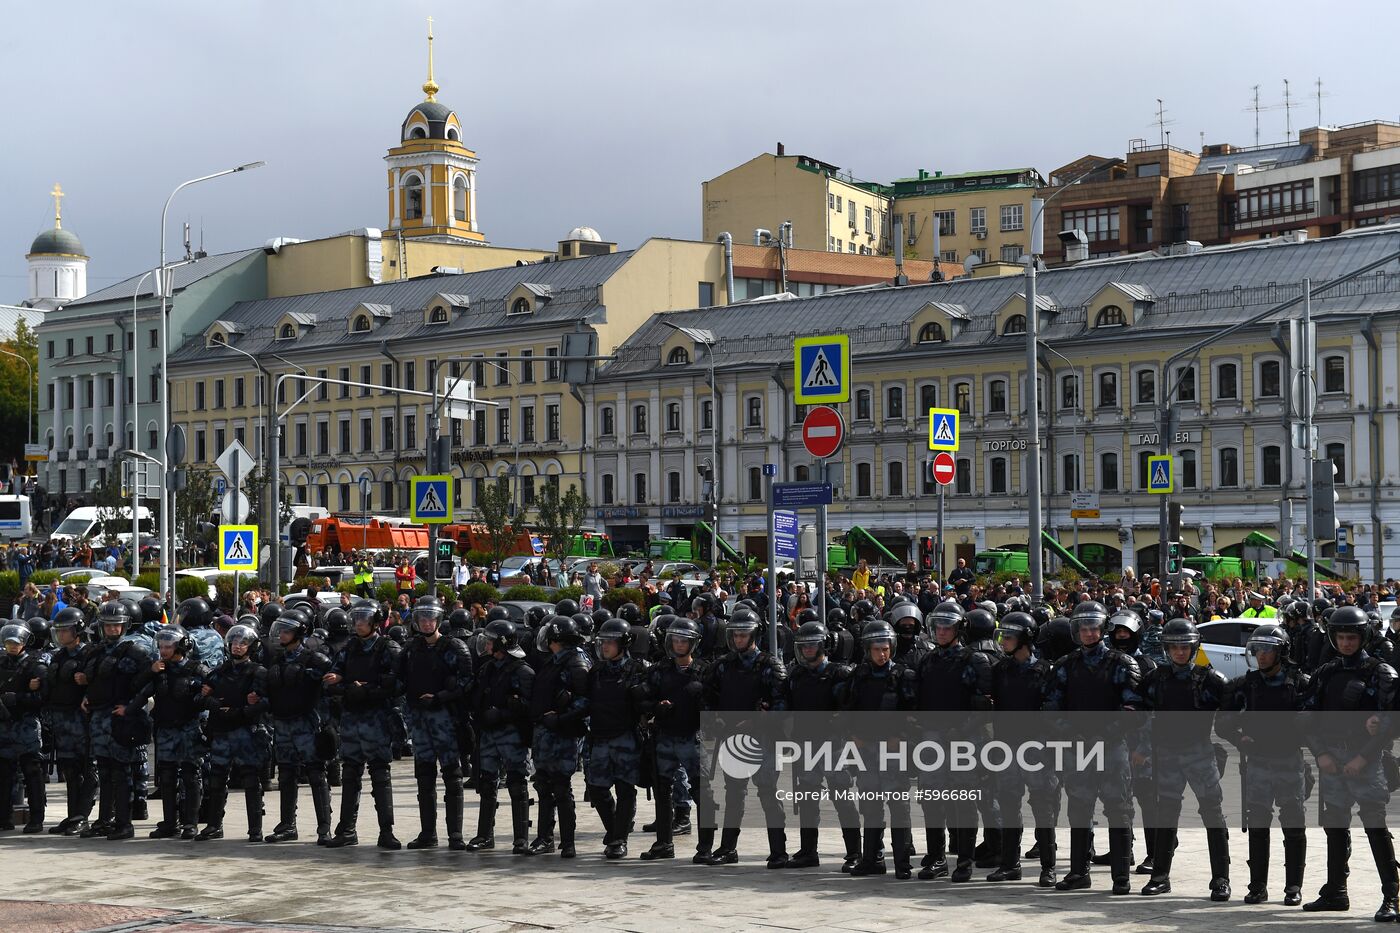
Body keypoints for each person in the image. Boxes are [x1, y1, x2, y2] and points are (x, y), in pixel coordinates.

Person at [1300, 605, 1399, 920]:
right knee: (1335, 825)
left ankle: (1391, 898)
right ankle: (1336, 891)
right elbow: (1307, 718)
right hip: (1332, 758)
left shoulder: (1380, 672)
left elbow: (1390, 722)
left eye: (1351, 637)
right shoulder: (1326, 672)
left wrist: (1363, 756)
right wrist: (1321, 754)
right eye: (1340, 637)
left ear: (1363, 636)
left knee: (1375, 826)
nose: (1346, 643)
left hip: (1366, 760)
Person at [1044, 599, 1141, 894]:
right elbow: (1051, 708)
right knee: (1079, 808)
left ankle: (1121, 875)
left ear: (1103, 629)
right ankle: (1078, 872)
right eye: (1083, 628)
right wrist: (1073, 735)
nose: (1088, 633)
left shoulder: (1122, 664)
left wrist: (1104, 734)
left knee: (1118, 808)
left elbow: (1134, 707)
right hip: (1078, 747)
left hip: (1111, 747)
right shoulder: (1065, 666)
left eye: (1093, 627)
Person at [1137, 619, 1231, 900]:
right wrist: (1141, 748)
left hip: (1200, 753)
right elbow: (1140, 716)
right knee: (1165, 813)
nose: (1180, 652)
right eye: (1174, 646)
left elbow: (1234, 709)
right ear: (1166, 648)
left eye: (1185, 646)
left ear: (1194, 647)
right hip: (1166, 754)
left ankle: (1221, 880)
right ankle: (1160, 876)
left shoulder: (1212, 680)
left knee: (1213, 814)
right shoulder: (1155, 679)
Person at [1218, 623, 1309, 906]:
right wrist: (1238, 737)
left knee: (1293, 824)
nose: (1262, 655)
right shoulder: (1246, 684)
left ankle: (1293, 885)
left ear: (1281, 652)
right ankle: (1257, 885)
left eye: (1268, 650)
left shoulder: (1300, 683)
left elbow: (1315, 720)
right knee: (1258, 823)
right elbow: (1222, 721)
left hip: (1289, 761)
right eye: (1258, 650)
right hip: (1257, 762)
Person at [906, 600, 992, 883]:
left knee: (963, 801)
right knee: (931, 800)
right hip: (932, 739)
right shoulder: (928, 661)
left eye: (947, 626)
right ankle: (938, 858)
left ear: (959, 629)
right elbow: (917, 700)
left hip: (963, 740)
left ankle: (965, 861)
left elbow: (984, 704)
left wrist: (961, 731)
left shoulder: (974, 661)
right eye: (938, 626)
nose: (941, 631)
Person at [703, 608, 788, 867]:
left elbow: (783, 703)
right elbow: (708, 697)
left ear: (754, 635)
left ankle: (779, 851)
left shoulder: (769, 665)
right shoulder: (722, 666)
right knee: (734, 794)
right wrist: (715, 719)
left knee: (768, 794)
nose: (738, 639)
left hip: (762, 739)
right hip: (732, 739)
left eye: (743, 635)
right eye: (735, 635)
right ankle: (728, 848)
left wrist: (759, 719)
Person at [323, 601, 403, 849]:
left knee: (380, 773)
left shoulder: (388, 648)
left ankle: (386, 831)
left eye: (364, 620)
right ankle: (346, 829)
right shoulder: (349, 648)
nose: (359, 624)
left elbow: (397, 683)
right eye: (356, 619)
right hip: (352, 719)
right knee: (350, 773)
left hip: (377, 718)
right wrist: (347, 685)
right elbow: (331, 680)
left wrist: (367, 690)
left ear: (376, 622)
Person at [782, 619, 860, 870]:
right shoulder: (796, 675)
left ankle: (854, 853)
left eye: (812, 645)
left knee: (842, 799)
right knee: (807, 799)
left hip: (835, 745)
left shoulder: (840, 674)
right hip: (806, 745)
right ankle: (808, 851)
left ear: (824, 645)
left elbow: (852, 708)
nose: (807, 650)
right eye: (803, 646)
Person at [989, 610, 1059, 886]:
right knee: (1008, 804)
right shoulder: (1000, 669)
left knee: (1043, 807)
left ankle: (1048, 867)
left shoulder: (1045, 671)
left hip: (1036, 749)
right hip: (1006, 746)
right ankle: (1009, 864)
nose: (1004, 640)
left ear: (1026, 639)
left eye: (1009, 635)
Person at [397, 596, 471, 850]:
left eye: (431, 618)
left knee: (452, 775)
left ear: (439, 620)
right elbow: (398, 680)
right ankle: (428, 833)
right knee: (424, 776)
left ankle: (455, 835)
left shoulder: (455, 648)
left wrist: (440, 697)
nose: (427, 623)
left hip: (445, 719)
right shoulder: (410, 649)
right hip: (419, 719)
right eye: (422, 619)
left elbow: (467, 683)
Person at [844, 620, 914, 879]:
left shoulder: (903, 676)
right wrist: (853, 736)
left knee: (898, 807)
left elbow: (913, 713)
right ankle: (871, 859)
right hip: (866, 750)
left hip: (893, 751)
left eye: (885, 649)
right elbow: (849, 709)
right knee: (870, 805)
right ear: (868, 650)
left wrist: (901, 736)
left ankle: (903, 863)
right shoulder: (859, 675)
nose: (882, 654)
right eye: (876, 650)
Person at [639, 616, 713, 862]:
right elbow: (644, 698)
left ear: (693, 644)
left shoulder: (704, 671)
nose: (679, 645)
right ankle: (663, 843)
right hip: (665, 736)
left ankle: (705, 847)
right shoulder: (660, 670)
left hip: (693, 737)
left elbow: (716, 703)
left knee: (702, 792)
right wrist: (656, 707)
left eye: (684, 641)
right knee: (662, 790)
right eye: (675, 640)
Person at [80, 600, 155, 840]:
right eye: (108, 625)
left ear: (125, 626)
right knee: (104, 770)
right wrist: (85, 695)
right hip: (99, 718)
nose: (113, 630)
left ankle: (124, 822)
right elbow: (94, 680)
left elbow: (148, 683)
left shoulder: (136, 650)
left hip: (121, 719)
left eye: (117, 625)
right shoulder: (97, 651)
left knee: (122, 773)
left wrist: (130, 707)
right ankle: (104, 820)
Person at [262, 608, 335, 845]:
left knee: (315, 773)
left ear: (301, 632)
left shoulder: (317, 660)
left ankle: (324, 827)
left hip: (307, 723)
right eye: (280, 629)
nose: (282, 634)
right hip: (282, 724)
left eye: (287, 630)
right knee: (286, 774)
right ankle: (287, 825)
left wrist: (326, 724)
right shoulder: (277, 659)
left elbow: (331, 693)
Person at [133, 625, 207, 840]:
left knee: (190, 776)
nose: (164, 650)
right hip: (166, 729)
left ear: (182, 646)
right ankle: (169, 822)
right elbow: (138, 687)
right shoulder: (159, 670)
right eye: (161, 646)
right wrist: (151, 671)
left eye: (169, 646)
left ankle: (190, 823)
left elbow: (213, 689)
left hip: (189, 729)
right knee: (166, 777)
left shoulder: (196, 669)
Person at [196, 624, 269, 842]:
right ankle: (214, 825)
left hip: (246, 731)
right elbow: (200, 699)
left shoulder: (258, 672)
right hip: (222, 732)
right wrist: (214, 703)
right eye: (234, 643)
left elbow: (266, 702)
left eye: (243, 643)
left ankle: (255, 829)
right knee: (217, 779)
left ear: (251, 646)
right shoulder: (220, 672)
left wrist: (241, 711)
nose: (237, 647)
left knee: (250, 780)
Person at [466, 619, 534, 853]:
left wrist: (504, 712)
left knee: (516, 783)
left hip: (512, 734)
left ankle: (521, 838)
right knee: (486, 784)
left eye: (491, 641)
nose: (486, 645)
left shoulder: (522, 671)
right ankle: (485, 835)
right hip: (489, 734)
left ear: (502, 644)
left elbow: (529, 706)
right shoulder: (487, 668)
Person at [584, 617, 648, 859]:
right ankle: (614, 829)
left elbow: (645, 703)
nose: (605, 647)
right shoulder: (597, 670)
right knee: (597, 788)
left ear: (624, 643)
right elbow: (587, 700)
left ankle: (619, 839)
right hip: (600, 737)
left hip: (626, 737)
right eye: (603, 642)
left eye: (611, 642)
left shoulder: (638, 669)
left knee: (625, 789)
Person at [528, 615, 591, 857]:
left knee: (561, 788)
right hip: (546, 732)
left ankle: (568, 842)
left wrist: (561, 718)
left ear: (556, 639)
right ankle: (545, 838)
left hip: (564, 734)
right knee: (544, 785)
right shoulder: (555, 661)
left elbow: (585, 701)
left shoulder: (576, 663)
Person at [44, 608, 97, 835]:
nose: (61, 635)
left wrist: (87, 682)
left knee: (87, 769)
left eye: (65, 630)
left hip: (81, 721)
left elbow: (102, 683)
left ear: (77, 630)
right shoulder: (58, 655)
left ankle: (82, 816)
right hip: (61, 720)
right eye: (59, 631)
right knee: (69, 770)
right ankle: (72, 815)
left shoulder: (88, 655)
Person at [0, 622, 47, 833]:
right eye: (9, 642)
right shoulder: (1, 663)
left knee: (32, 771)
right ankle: (3, 817)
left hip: (26, 724)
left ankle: (36, 818)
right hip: (4, 725)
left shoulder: (34, 665)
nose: (12, 646)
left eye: (16, 642)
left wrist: (18, 698)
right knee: (4, 773)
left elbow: (42, 697)